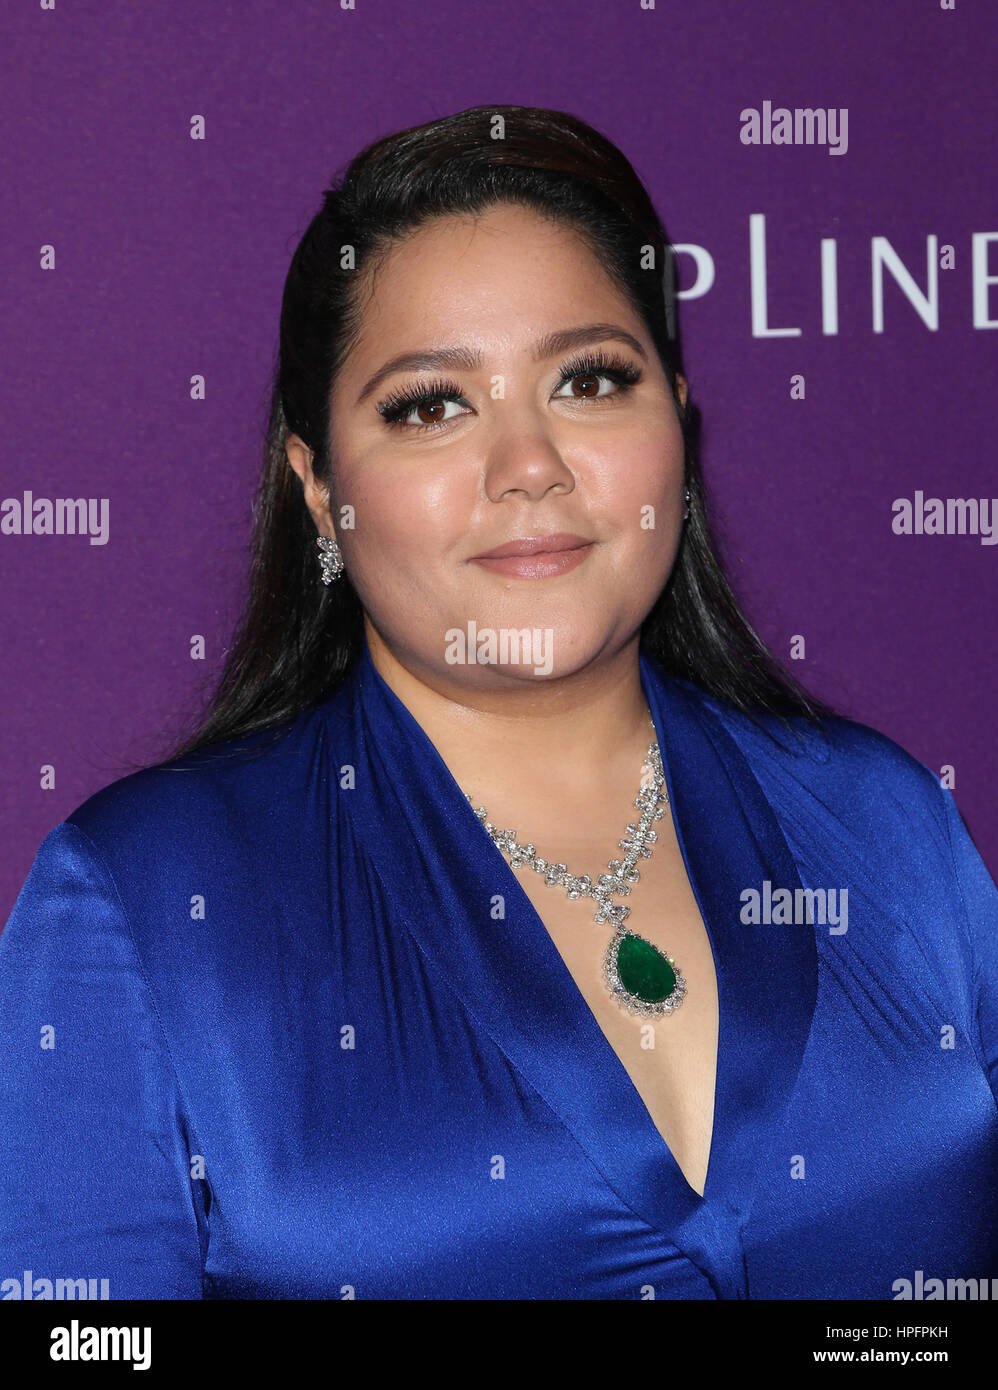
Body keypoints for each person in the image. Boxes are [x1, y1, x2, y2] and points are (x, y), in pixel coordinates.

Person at [2, 105, 996, 1302]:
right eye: (431, 404)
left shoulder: (883, 821)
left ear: (675, 422)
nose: (529, 463)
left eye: (588, 380)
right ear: (318, 489)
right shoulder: (144, 898)